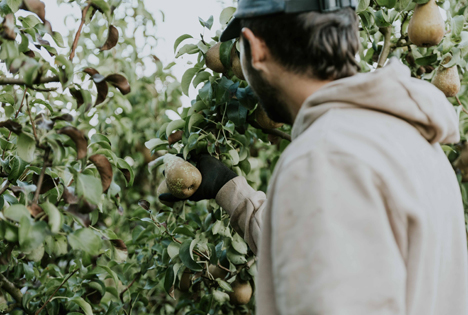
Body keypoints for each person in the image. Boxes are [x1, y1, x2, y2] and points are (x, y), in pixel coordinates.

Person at [160, 0, 468, 313]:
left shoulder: (325, 158)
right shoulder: (417, 145)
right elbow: (325, 257)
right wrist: (230, 190)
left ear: (256, 49)